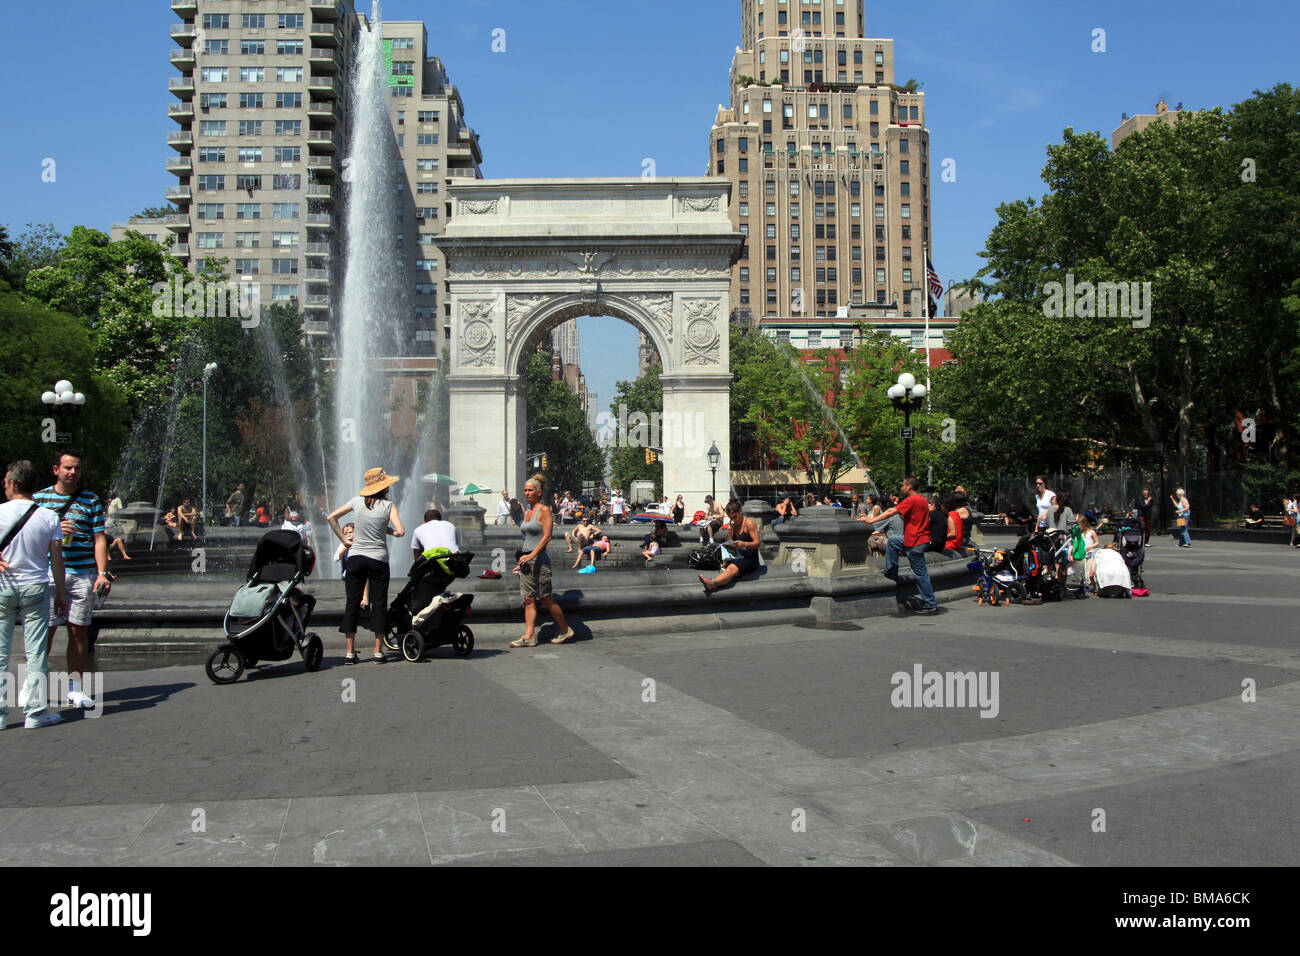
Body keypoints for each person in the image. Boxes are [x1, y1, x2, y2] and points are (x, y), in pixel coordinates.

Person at [34, 450, 109, 709]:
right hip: (48, 572)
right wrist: (54, 526)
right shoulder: (39, 498)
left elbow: (99, 538)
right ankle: (35, 685)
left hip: (82, 573)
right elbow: (29, 537)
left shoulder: (91, 500)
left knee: (78, 630)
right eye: (67, 467)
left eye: (76, 468)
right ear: (56, 469)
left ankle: (74, 688)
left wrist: (101, 572)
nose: (72, 472)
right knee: (46, 631)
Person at [1, 460, 68, 729]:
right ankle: (35, 712)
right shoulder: (50, 517)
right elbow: (57, 560)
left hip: (3, 586)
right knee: (36, 653)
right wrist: (61, 595)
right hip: (36, 587)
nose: (4, 485)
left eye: (6, 481)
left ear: (14, 484)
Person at [327, 467, 404, 665]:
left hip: (356, 557)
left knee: (352, 603)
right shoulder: (389, 506)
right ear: (383, 487)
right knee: (379, 604)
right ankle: (378, 651)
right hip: (379, 559)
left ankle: (350, 653)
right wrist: (387, 532)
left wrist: (344, 540)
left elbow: (331, 518)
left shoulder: (356, 501)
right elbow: (401, 531)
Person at [509, 473, 574, 647]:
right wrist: (523, 558)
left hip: (539, 561)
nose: (527, 493)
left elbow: (547, 537)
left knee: (545, 597)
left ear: (539, 492)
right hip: (526, 561)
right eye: (525, 490)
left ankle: (565, 629)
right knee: (529, 599)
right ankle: (529, 636)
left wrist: (532, 555)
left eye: (530, 490)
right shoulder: (528, 511)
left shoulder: (543, 510)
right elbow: (528, 536)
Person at [860, 477, 940, 614]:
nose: (902, 488)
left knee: (920, 573)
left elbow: (891, 512)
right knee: (893, 541)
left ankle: (930, 604)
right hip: (915, 538)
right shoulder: (921, 500)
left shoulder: (911, 500)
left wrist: (871, 520)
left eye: (903, 485)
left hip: (916, 541)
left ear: (909, 487)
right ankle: (892, 572)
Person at [698, 499, 761, 593]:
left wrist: (744, 544)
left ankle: (712, 583)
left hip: (749, 558)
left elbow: (758, 543)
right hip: (737, 555)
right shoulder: (732, 525)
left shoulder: (749, 524)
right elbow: (730, 542)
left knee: (732, 568)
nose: (733, 520)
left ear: (740, 511)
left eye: (735, 517)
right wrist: (730, 531)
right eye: (731, 518)